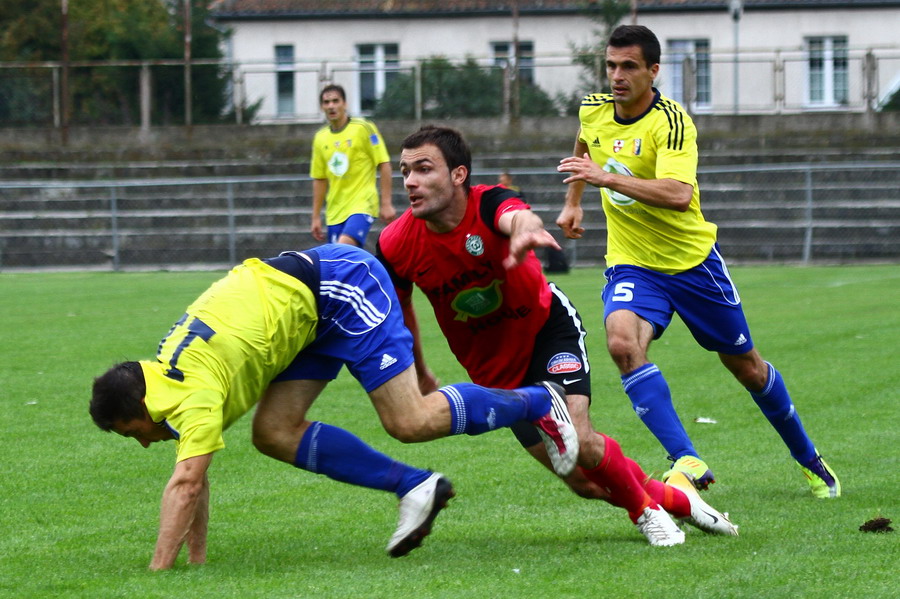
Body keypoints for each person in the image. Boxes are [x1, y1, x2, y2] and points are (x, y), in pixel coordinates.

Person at [89, 243, 579, 570]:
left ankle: (539, 398)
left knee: (410, 420)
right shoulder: (163, 375)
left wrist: (157, 573)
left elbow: (186, 482)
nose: (144, 441)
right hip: (301, 318)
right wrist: (195, 563)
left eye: (134, 431)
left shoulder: (191, 396)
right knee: (274, 432)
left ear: (143, 406)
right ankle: (416, 486)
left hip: (340, 284)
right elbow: (190, 474)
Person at [376, 125, 738, 547]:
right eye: (404, 172)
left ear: (459, 175)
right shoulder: (395, 242)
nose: (410, 182)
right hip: (497, 373)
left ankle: (647, 516)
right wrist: (418, 370)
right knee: (584, 483)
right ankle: (679, 501)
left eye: (423, 169)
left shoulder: (488, 202)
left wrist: (526, 228)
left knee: (581, 441)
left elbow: (516, 215)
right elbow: (400, 316)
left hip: (548, 332)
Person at [556, 25, 840, 499]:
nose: (617, 76)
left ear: (653, 70)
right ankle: (686, 459)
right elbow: (584, 143)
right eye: (611, 65)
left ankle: (809, 459)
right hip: (632, 264)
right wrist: (574, 200)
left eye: (629, 66)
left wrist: (604, 179)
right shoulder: (594, 109)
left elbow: (678, 194)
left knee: (748, 368)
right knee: (623, 344)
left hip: (692, 265)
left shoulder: (673, 121)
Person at [310, 84, 396, 247]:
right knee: (340, 264)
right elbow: (319, 178)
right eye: (327, 102)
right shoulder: (320, 138)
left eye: (336, 101)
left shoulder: (363, 128)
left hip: (362, 204)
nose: (331, 106)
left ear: (345, 104)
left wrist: (386, 203)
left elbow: (383, 163)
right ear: (322, 107)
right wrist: (315, 216)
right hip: (335, 211)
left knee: (343, 249)